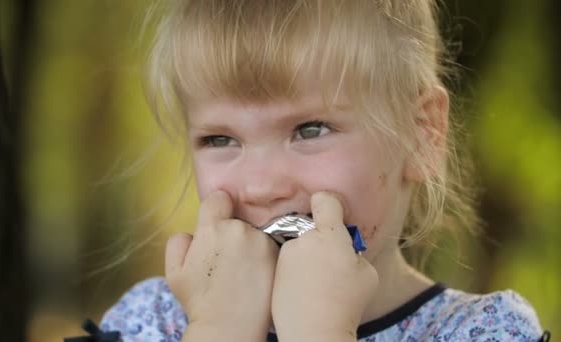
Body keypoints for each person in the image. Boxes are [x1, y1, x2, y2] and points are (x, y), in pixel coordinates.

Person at [97, 0, 549, 341]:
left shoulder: (482, 331)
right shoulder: (149, 323)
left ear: (421, 134)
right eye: (220, 140)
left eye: (310, 130)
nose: (260, 187)